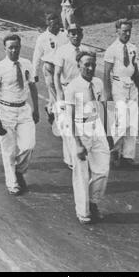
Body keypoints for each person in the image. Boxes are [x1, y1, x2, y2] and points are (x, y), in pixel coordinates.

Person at [0, 34, 40, 196]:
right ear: (5, 49)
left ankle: (18, 170)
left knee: (28, 145)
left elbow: (32, 87)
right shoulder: (0, 67)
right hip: (6, 112)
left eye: (16, 47)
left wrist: (36, 109)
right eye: (10, 47)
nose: (14, 50)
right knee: (9, 151)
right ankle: (12, 183)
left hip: (24, 109)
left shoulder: (26, 64)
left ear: (20, 47)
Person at [65, 51, 110, 225]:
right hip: (79, 130)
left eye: (93, 65)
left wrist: (108, 132)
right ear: (79, 66)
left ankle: (93, 202)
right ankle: (83, 211)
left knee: (102, 170)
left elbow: (102, 108)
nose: (90, 68)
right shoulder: (73, 87)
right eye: (86, 65)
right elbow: (70, 117)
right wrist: (77, 144)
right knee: (82, 174)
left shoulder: (97, 83)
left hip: (96, 128)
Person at [104, 19, 139, 168]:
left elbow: (135, 69)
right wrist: (107, 94)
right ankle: (113, 151)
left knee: (132, 122)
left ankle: (128, 155)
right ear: (117, 31)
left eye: (129, 31)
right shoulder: (112, 49)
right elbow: (106, 72)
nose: (127, 33)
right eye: (124, 30)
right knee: (121, 121)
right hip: (118, 85)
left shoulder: (133, 48)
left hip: (131, 86)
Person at [54, 23, 85, 169]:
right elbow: (57, 74)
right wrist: (59, 93)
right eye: (72, 33)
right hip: (67, 90)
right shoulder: (62, 51)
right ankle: (71, 159)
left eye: (78, 33)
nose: (75, 36)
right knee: (68, 126)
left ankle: (81, 153)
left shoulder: (86, 51)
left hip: (82, 91)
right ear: (68, 35)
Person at [32, 12, 67, 125]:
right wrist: (34, 72)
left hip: (63, 68)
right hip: (49, 67)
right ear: (47, 24)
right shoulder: (42, 38)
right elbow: (36, 56)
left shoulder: (65, 34)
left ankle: (50, 108)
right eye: (53, 24)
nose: (56, 27)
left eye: (57, 24)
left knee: (63, 92)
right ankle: (58, 118)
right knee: (54, 92)